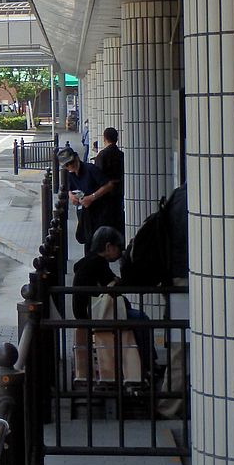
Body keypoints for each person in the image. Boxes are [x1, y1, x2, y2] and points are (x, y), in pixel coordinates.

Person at [72, 225, 152, 379]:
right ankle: (147, 364)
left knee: (135, 316)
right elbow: (115, 288)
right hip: (95, 315)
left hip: (86, 312)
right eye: (118, 247)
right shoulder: (98, 263)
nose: (120, 251)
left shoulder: (89, 261)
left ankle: (144, 364)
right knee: (141, 319)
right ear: (108, 247)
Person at [58, 145, 117, 250]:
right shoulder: (70, 174)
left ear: (76, 158)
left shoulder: (90, 169)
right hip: (85, 214)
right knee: (88, 244)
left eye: (71, 162)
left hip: (100, 212)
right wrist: (71, 195)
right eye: (66, 165)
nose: (70, 166)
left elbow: (109, 185)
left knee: (99, 246)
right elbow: (69, 189)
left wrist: (92, 197)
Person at [93, 127, 125, 235]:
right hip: (119, 192)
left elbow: (97, 176)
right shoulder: (121, 155)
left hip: (105, 195)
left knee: (106, 223)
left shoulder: (102, 155)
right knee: (117, 219)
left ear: (104, 138)